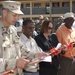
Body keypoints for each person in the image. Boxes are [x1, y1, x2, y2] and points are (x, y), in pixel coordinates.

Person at [0, 1, 31, 75]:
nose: (17, 18)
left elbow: (20, 48)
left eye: (18, 16)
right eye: (14, 15)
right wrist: (15, 62)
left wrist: (36, 54)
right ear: (4, 12)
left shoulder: (13, 29)